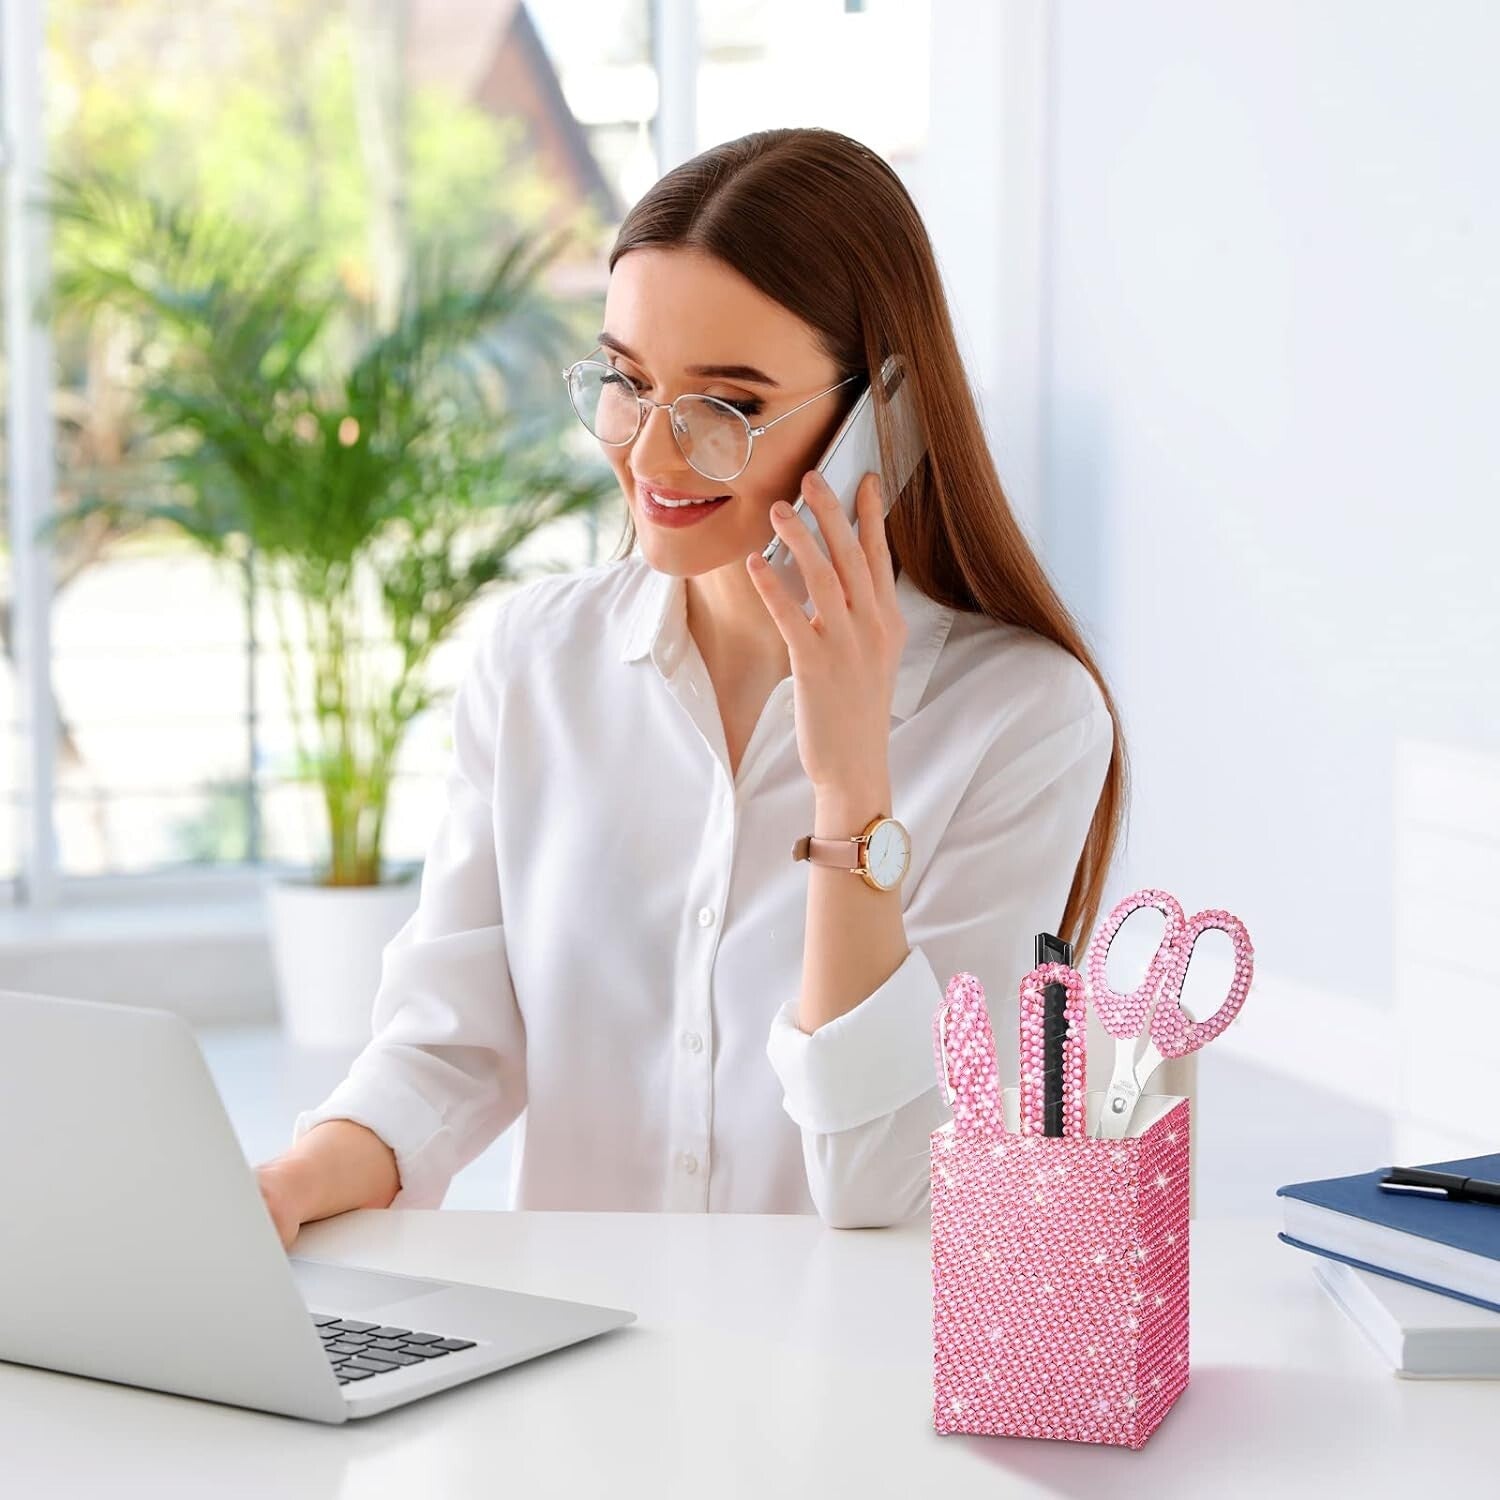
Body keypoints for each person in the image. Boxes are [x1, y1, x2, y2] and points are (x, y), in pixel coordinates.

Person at [255, 126, 1126, 1249]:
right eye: (625, 385)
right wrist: (290, 1182)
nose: (652, 459)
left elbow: (887, 1183)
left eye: (724, 405)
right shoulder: (536, 660)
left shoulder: (1024, 717)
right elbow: (451, 1043)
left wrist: (851, 779)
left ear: (884, 420)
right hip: (572, 1370)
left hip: (843, 1383)